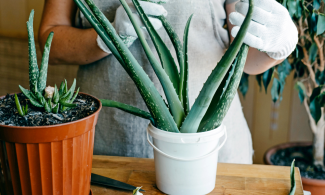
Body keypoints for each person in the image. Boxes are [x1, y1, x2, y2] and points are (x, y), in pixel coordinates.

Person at [38, 0, 297, 164]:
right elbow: (51, 40)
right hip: (108, 149)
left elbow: (246, 57)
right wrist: (107, 36)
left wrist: (277, 48)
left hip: (208, 151)